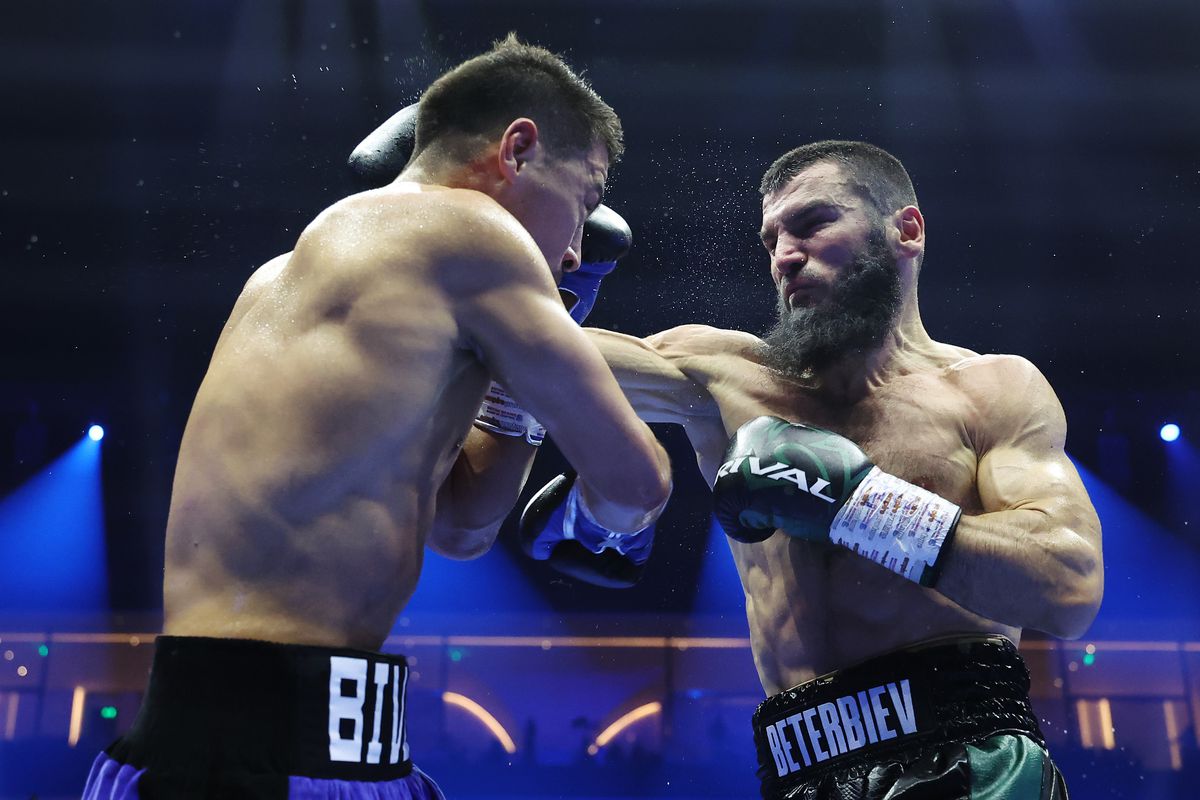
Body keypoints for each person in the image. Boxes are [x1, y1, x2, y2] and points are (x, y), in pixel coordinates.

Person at [81, 34, 671, 799]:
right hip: (260, 762)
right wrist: (601, 516)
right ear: (517, 149)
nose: (572, 256)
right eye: (585, 200)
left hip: (265, 739)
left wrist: (522, 392)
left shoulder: (299, 277)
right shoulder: (469, 232)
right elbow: (639, 479)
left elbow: (461, 528)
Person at [557, 141, 1102, 797]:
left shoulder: (990, 391)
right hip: (800, 770)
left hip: (965, 760)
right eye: (771, 238)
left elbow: (1068, 587)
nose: (784, 254)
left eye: (812, 223)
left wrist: (860, 506)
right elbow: (511, 354)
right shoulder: (729, 378)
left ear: (906, 230)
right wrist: (496, 244)